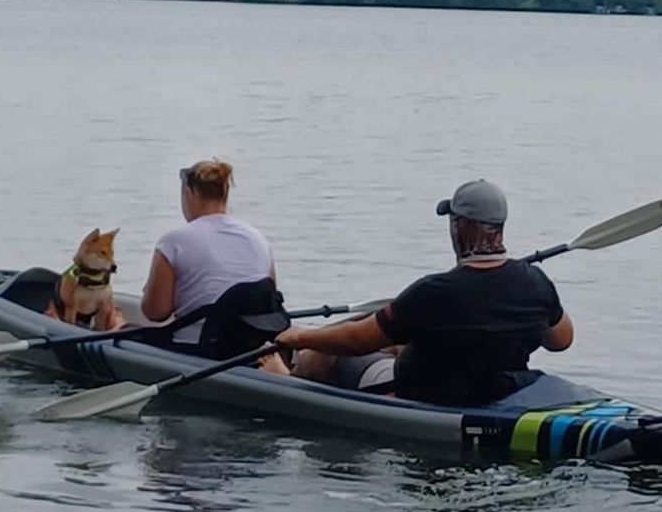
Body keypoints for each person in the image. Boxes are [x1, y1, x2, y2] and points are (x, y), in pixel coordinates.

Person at [272, 179, 573, 405]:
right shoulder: (536, 283)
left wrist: (300, 336)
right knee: (398, 344)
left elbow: (355, 341)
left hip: (426, 397)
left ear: (458, 227)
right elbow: (561, 341)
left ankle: (280, 379)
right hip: (502, 393)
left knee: (317, 352)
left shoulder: (432, 293)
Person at [141, 159, 284, 357]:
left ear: (189, 193)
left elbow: (155, 312)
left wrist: (150, 290)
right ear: (224, 195)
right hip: (252, 349)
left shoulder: (173, 242)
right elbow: (268, 299)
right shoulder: (259, 239)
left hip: (198, 350)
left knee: (122, 332)